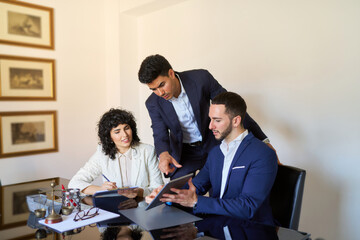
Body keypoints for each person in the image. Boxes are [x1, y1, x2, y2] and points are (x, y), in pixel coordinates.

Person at [146, 92, 278, 225]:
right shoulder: (216, 153)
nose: (210, 126)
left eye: (217, 120)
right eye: (210, 119)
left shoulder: (262, 154)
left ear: (236, 121)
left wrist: (196, 201)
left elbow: (248, 207)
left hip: (252, 230)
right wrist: (165, 195)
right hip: (217, 226)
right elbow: (196, 186)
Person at [138, 54, 276, 179]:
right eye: (153, 89)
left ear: (171, 73)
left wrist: (263, 141)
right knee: (177, 195)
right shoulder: (153, 103)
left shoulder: (201, 79)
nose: (160, 92)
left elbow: (233, 109)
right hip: (185, 152)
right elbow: (159, 131)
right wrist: (163, 154)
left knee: (221, 189)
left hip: (214, 144)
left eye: (162, 85)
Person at [68, 108, 164, 197]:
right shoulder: (102, 154)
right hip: (114, 209)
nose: (125, 135)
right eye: (117, 132)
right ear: (109, 136)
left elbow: (158, 188)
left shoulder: (147, 151)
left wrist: (138, 192)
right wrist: (101, 190)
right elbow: (74, 183)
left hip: (142, 208)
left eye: (126, 128)